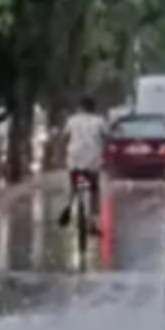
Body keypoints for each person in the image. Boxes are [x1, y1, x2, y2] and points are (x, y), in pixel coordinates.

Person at [61, 95, 108, 232]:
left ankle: (70, 209)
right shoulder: (99, 121)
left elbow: (64, 137)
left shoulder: (72, 121)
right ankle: (93, 221)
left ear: (80, 108)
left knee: (75, 188)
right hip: (92, 161)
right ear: (93, 108)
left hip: (75, 159)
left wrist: (65, 149)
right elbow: (106, 136)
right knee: (94, 191)